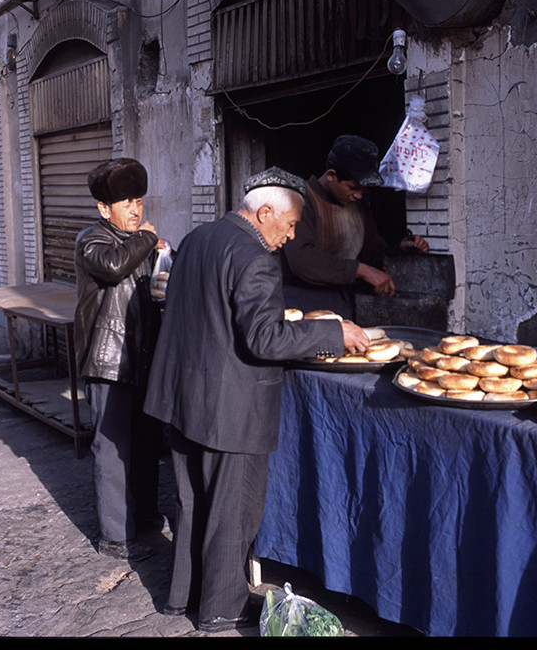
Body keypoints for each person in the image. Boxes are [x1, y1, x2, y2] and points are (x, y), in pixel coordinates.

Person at [143, 166, 370, 632]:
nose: (290, 238)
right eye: (287, 226)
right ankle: (222, 608)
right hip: (231, 405)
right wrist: (331, 331)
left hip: (185, 395)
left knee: (194, 502)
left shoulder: (200, 237)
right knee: (233, 509)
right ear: (264, 212)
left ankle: (184, 595)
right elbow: (264, 339)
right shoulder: (255, 257)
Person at [74, 157, 166, 563]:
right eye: (126, 203)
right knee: (112, 449)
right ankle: (114, 536)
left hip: (142, 358)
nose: (135, 210)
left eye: (140, 202)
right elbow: (113, 267)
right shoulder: (91, 240)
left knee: (146, 445)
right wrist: (146, 240)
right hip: (107, 361)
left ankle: (144, 517)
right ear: (103, 209)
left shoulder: (138, 244)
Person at [281, 134, 430, 320]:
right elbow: (303, 260)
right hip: (302, 305)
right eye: (353, 188)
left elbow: (373, 253)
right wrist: (361, 270)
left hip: (343, 305)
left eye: (363, 190)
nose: (359, 196)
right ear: (331, 176)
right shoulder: (299, 201)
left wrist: (400, 249)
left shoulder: (359, 209)